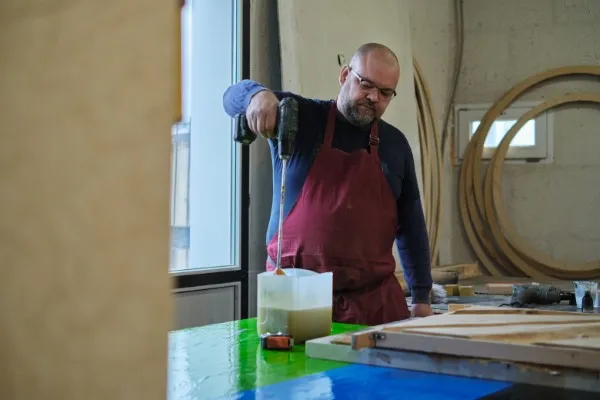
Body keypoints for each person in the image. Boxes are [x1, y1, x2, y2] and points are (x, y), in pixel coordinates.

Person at [223, 42, 433, 325]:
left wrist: (421, 297)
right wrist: (257, 96)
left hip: (372, 306)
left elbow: (411, 225)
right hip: (296, 300)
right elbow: (230, 97)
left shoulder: (395, 145)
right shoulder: (298, 118)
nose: (373, 97)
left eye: (385, 93)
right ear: (345, 75)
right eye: (366, 84)